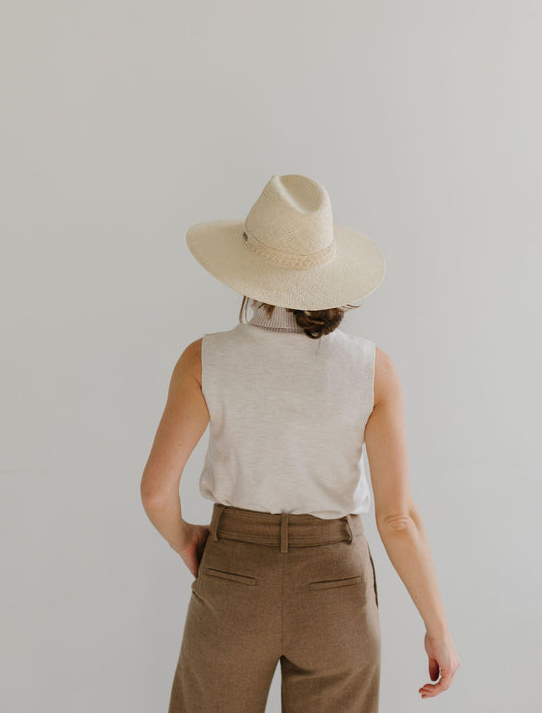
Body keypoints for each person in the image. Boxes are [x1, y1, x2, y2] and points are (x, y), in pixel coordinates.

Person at [140, 173, 460, 711]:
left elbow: (155, 493)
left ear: (247, 268)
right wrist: (438, 630)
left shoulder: (204, 360)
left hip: (234, 571)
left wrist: (187, 540)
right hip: (335, 584)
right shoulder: (372, 370)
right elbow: (398, 519)